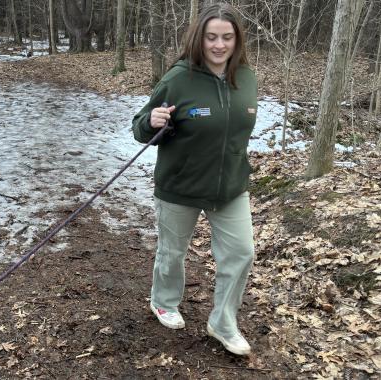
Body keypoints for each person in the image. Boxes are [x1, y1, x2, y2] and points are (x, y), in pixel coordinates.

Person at [131, 3, 257, 356]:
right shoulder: (178, 78)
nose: (219, 45)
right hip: (180, 185)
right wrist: (151, 122)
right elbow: (140, 126)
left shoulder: (247, 78)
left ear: (237, 40)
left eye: (227, 37)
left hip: (230, 187)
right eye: (211, 37)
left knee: (241, 252)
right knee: (172, 253)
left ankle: (223, 322)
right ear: (199, 38)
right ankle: (164, 301)